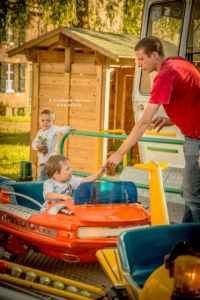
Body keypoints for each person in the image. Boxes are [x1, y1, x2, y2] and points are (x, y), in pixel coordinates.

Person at [105, 36, 200, 223]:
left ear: (154, 54)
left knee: (192, 197)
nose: (139, 64)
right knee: (190, 192)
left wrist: (119, 153)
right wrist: (172, 119)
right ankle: (187, 238)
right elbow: (191, 98)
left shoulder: (164, 75)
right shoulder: (177, 62)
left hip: (196, 140)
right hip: (194, 134)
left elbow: (143, 122)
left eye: (141, 59)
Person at [42, 154, 107, 211]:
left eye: (70, 168)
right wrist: (62, 196)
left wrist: (98, 175)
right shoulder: (49, 183)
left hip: (63, 209)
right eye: (67, 169)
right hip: (49, 210)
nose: (71, 170)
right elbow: (48, 195)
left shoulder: (70, 180)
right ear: (57, 173)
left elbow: (84, 181)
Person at [32, 109, 73, 180]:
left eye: (48, 120)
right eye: (43, 120)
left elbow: (60, 130)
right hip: (43, 162)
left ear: (53, 122)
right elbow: (34, 142)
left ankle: (42, 190)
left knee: (42, 179)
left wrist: (68, 129)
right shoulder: (39, 132)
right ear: (39, 121)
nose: (45, 123)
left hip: (49, 161)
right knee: (49, 179)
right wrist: (36, 145)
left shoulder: (53, 129)